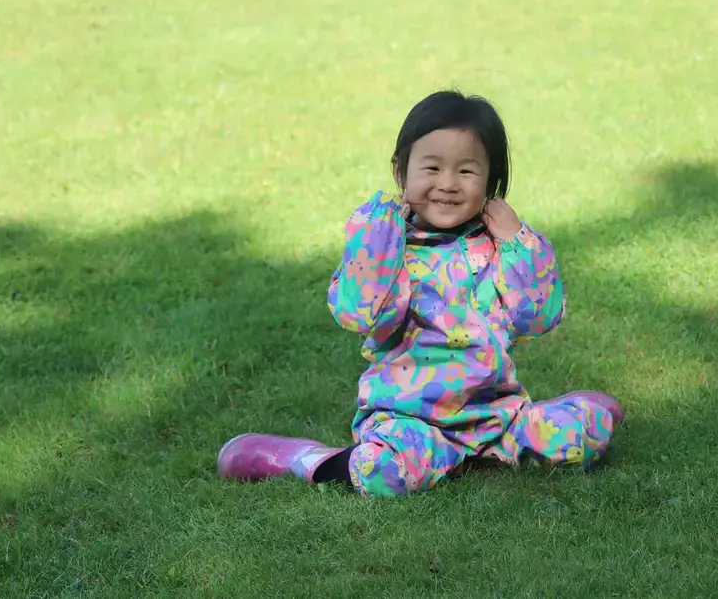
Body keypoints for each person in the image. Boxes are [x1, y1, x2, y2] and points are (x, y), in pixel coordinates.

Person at [216, 90, 624, 497]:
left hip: (494, 416)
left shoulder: (501, 245)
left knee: (587, 436)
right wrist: (378, 243)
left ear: (491, 180)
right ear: (401, 172)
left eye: (466, 171)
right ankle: (305, 459)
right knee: (382, 472)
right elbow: (359, 315)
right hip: (411, 421)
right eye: (431, 167)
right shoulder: (388, 242)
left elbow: (538, 318)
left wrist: (519, 242)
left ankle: (496, 445)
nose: (447, 184)